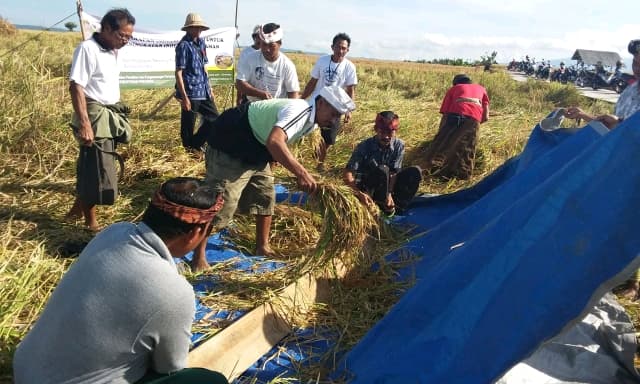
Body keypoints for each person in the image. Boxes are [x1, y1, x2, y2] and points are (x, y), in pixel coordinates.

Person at [13, 177, 228, 384]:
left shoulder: (114, 232)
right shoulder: (175, 291)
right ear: (196, 233)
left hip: (25, 370)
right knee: (209, 380)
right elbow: (168, 368)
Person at [191, 85, 356, 271]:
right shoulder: (301, 110)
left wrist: (274, 158)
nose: (333, 120)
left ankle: (262, 247)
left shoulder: (313, 120)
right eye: (333, 114)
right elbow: (275, 140)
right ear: (321, 102)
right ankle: (198, 257)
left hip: (259, 148)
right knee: (221, 201)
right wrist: (301, 173)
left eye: (337, 117)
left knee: (265, 195)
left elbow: (281, 139)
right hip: (231, 141)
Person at [565, 38, 640, 300]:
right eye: (635, 61)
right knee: (615, 220)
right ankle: (616, 275)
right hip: (621, 166)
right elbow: (619, 125)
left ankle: (631, 284)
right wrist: (586, 117)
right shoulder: (630, 92)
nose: (638, 67)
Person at [64, 8, 136, 231]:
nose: (125, 40)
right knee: (94, 169)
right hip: (95, 117)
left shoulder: (113, 51)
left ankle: (76, 211)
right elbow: (76, 86)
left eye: (128, 37)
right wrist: (85, 124)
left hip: (109, 115)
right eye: (121, 35)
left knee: (98, 164)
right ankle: (90, 222)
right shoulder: (88, 49)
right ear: (106, 28)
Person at [343, 111, 422, 216]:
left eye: (389, 132)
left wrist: (389, 194)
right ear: (376, 130)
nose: (386, 137)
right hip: (369, 187)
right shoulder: (364, 146)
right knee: (382, 169)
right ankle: (378, 206)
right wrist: (358, 193)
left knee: (415, 171)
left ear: (395, 131)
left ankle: (396, 207)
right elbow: (348, 173)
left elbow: (394, 172)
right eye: (382, 132)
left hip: (388, 185)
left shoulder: (399, 145)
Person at [300, 33, 358, 170]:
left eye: (344, 48)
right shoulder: (322, 61)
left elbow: (350, 90)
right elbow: (312, 82)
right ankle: (300, 161)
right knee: (304, 133)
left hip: (334, 108)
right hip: (316, 104)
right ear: (332, 47)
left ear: (347, 50)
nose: (341, 51)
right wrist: (301, 99)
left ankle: (319, 163)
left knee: (329, 139)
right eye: (338, 47)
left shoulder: (350, 67)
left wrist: (349, 110)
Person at [424, 73, 490, 180]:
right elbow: (486, 116)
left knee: (440, 145)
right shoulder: (481, 89)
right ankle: (462, 177)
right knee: (467, 149)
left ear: (456, 83)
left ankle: (427, 170)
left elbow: (445, 114)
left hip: (455, 116)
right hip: (474, 119)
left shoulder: (454, 89)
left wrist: (441, 133)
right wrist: (472, 126)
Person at [175, 13, 219, 152]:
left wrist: (209, 87)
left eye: (200, 27)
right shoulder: (183, 45)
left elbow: (204, 67)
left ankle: (195, 143)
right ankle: (189, 149)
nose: (198, 30)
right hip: (191, 92)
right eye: (195, 27)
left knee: (215, 119)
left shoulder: (201, 43)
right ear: (188, 29)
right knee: (188, 123)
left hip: (203, 90)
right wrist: (184, 97)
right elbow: (179, 72)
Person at [235, 22, 300, 102]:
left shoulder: (287, 65)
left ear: (280, 44)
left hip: (276, 108)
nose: (267, 49)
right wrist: (259, 94)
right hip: (252, 105)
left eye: (271, 46)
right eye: (264, 45)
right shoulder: (250, 58)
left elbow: (293, 93)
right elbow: (239, 83)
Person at [236, 25, 262, 106]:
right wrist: (239, 97)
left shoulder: (267, 52)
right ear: (254, 37)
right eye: (258, 37)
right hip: (248, 93)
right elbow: (240, 76)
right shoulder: (246, 52)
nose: (260, 39)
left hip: (263, 93)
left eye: (262, 37)